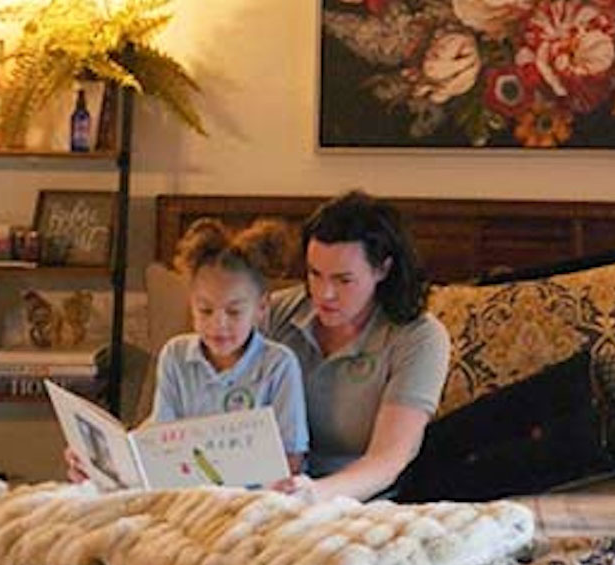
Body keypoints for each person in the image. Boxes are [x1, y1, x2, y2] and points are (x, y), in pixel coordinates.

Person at [67, 191, 449, 501]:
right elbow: (190, 405)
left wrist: (315, 494)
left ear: (382, 269)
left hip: (355, 495)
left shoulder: (417, 337)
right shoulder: (278, 312)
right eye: (314, 274)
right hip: (250, 487)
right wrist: (118, 457)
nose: (324, 293)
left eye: (344, 279)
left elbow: (389, 458)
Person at [148, 218, 309, 473]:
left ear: (261, 309)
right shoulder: (175, 356)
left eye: (234, 312)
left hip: (259, 493)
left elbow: (292, 456)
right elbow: (159, 439)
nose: (218, 324)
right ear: (191, 305)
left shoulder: (278, 365)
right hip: (188, 489)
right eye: (205, 310)